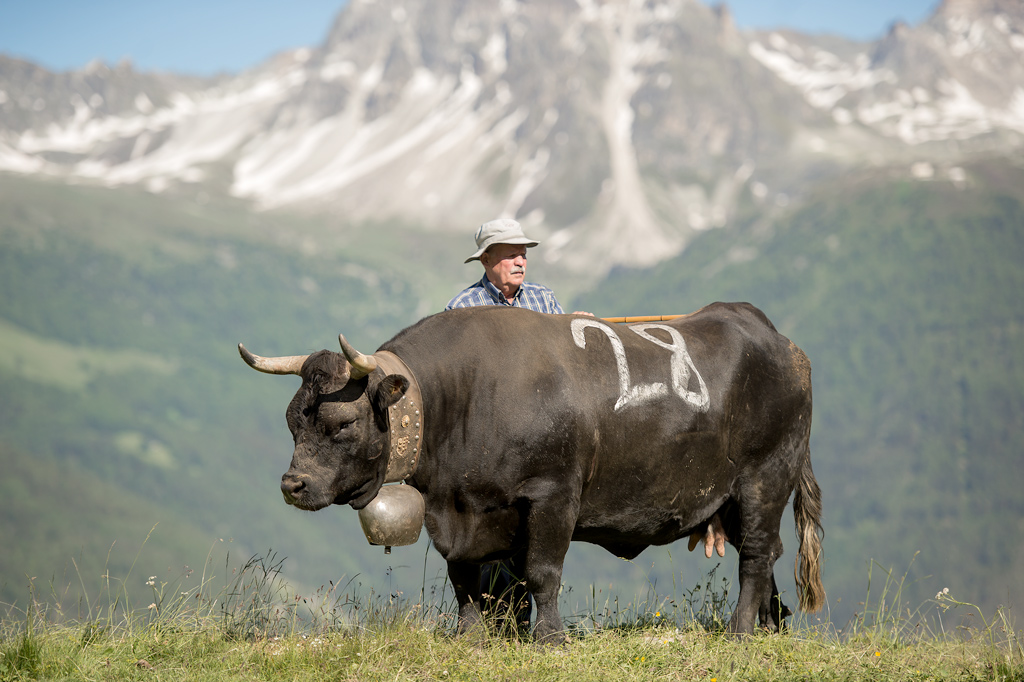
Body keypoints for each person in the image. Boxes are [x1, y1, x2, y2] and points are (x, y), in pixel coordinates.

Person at [445, 218, 585, 314]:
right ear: (486, 260)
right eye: (511, 256)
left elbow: (562, 342)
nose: (520, 262)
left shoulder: (544, 298)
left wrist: (575, 324)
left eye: (523, 255)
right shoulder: (461, 308)